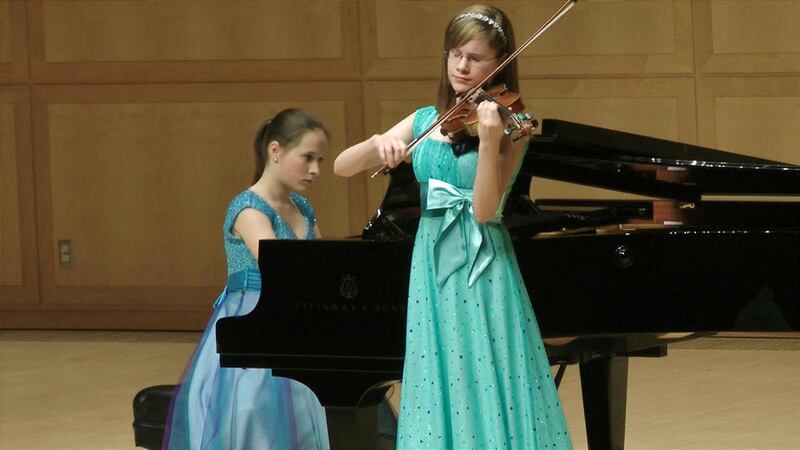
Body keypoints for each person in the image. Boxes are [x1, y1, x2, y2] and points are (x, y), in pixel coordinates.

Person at [333, 5, 572, 449]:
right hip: (432, 266)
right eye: (455, 54)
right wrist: (376, 143)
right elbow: (342, 167)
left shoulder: (513, 127)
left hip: (483, 265)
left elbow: (484, 211)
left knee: (487, 370)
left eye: (476, 58)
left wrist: (489, 144)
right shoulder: (426, 120)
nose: (462, 66)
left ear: (500, 64)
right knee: (439, 369)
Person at [164, 109, 331, 450]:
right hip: (254, 325)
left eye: (320, 160)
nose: (316, 170)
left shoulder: (303, 206)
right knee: (257, 416)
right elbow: (281, 269)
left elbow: (322, 264)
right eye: (308, 158)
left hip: (296, 319)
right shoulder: (248, 208)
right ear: (275, 151)